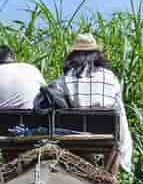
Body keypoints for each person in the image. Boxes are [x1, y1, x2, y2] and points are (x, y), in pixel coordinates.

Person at [52, 33, 134, 174]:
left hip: (75, 136)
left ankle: (88, 171)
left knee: (75, 140)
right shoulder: (109, 76)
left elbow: (56, 99)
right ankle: (110, 180)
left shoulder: (65, 78)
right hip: (107, 135)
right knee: (116, 139)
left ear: (73, 56)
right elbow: (119, 109)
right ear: (97, 55)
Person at [0, 45, 45, 116]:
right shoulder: (32, 69)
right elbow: (47, 95)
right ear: (13, 57)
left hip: (3, 126)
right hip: (36, 125)